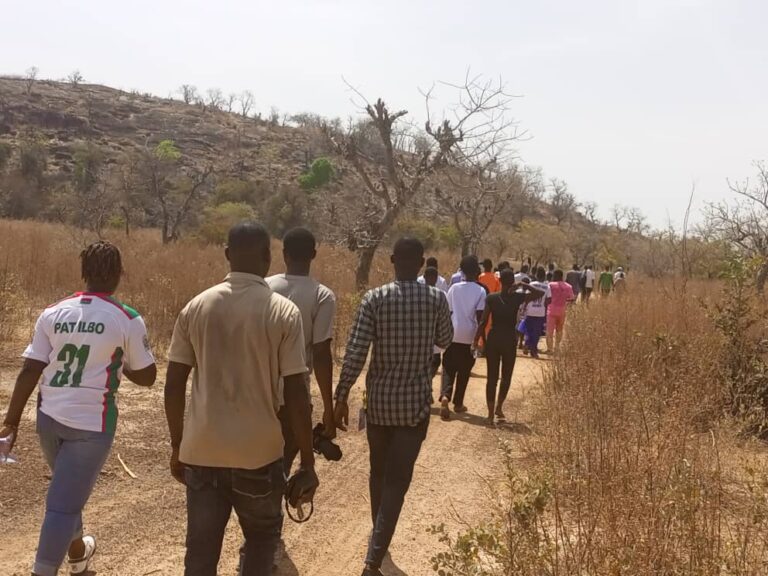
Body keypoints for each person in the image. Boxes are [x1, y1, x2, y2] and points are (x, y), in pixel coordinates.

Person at [164, 222, 318, 576]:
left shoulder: (195, 307)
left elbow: (173, 385)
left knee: (200, 554)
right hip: (258, 455)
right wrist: (307, 462)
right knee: (261, 542)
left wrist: (177, 445)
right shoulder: (283, 312)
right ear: (268, 257)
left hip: (202, 452)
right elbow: (296, 392)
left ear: (227, 255)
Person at [0, 241, 157, 576]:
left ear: (83, 272)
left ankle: (77, 553)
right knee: (62, 504)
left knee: (66, 489)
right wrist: (119, 361)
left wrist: (11, 422)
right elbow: (148, 377)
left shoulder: (53, 312)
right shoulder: (127, 318)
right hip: (91, 425)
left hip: (48, 418)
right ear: (120, 274)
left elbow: (30, 369)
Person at [333, 237, 453, 576]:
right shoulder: (436, 298)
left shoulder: (374, 299)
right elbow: (445, 339)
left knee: (378, 473)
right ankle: (374, 558)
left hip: (379, 406)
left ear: (391, 260)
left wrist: (341, 396)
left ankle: (378, 539)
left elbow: (356, 351)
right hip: (414, 408)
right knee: (397, 482)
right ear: (421, 264)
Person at [474, 270, 544, 424]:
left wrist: (476, 340)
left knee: (492, 378)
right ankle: (499, 407)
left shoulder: (491, 298)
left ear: (500, 282)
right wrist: (523, 284)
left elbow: (483, 322)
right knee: (506, 376)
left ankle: (490, 415)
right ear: (512, 282)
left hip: (494, 339)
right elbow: (540, 293)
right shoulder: (517, 297)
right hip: (509, 339)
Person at [440, 255, 486, 420]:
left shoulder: (454, 288)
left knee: (448, 366)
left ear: (462, 270)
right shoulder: (480, 291)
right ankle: (458, 403)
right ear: (477, 271)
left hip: (453, 332)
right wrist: (480, 339)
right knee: (465, 369)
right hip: (469, 334)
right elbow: (480, 317)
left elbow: (448, 311)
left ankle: (445, 395)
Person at [546, 269, 575, 353]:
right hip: (562, 311)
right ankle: (557, 347)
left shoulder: (550, 285)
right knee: (559, 330)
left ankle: (549, 349)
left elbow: (547, 296)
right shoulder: (568, 286)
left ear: (555, 276)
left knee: (550, 331)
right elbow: (572, 299)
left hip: (551, 311)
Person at [423, 266, 444, 380]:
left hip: (420, 339)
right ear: (437, 278)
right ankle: (428, 381)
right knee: (435, 362)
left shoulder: (416, 294)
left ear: (424, 277)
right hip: (434, 338)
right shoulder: (440, 296)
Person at [523, 267, 549, 358]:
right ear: (544, 276)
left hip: (530, 311)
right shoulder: (547, 286)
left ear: (537, 275)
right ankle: (533, 350)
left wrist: (524, 307)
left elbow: (526, 297)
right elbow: (549, 300)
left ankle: (527, 344)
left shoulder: (531, 284)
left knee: (528, 330)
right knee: (537, 332)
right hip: (540, 312)